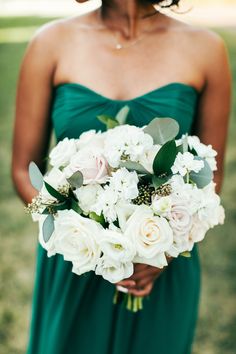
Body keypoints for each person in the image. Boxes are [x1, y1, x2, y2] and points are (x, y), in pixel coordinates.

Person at [12, 1, 231, 353]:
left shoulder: (206, 49)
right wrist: (86, 236)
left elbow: (210, 177)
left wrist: (163, 250)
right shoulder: (50, 42)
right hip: (76, 262)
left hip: (159, 265)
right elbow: (24, 169)